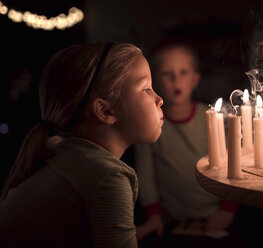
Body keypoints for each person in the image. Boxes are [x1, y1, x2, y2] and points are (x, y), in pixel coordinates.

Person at [0, 42, 164, 247]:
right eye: (147, 89)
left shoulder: (62, 150)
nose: (160, 100)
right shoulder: (107, 177)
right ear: (106, 111)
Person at [135, 41, 241, 247]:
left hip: (215, 215)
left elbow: (232, 164)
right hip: (171, 221)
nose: (176, 79)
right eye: (167, 73)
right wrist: (153, 215)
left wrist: (228, 210)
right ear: (155, 81)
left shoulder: (211, 119)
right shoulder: (148, 126)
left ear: (195, 79)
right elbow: (145, 175)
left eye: (183, 72)